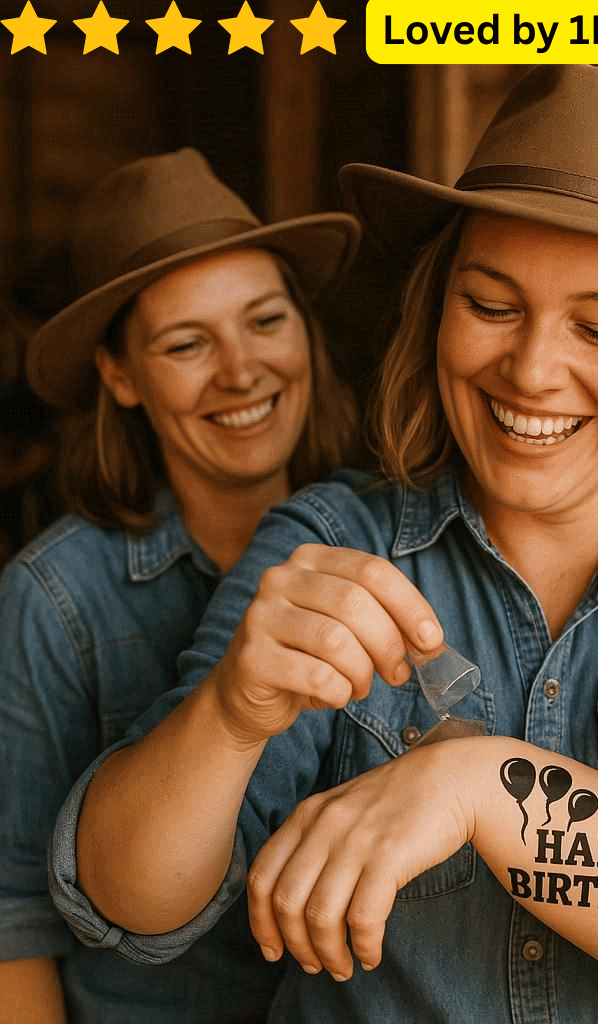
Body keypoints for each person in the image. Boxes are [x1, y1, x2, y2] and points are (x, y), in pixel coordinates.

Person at [51, 66, 598, 1023]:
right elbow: (132, 904)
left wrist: (490, 788)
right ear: (439, 300)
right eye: (492, 305)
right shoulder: (330, 539)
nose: (532, 370)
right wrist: (230, 716)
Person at [0, 147, 360, 1024]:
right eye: (187, 343)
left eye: (266, 321)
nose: (240, 371)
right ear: (120, 376)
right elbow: (13, 924)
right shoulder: (54, 596)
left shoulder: (392, 533)